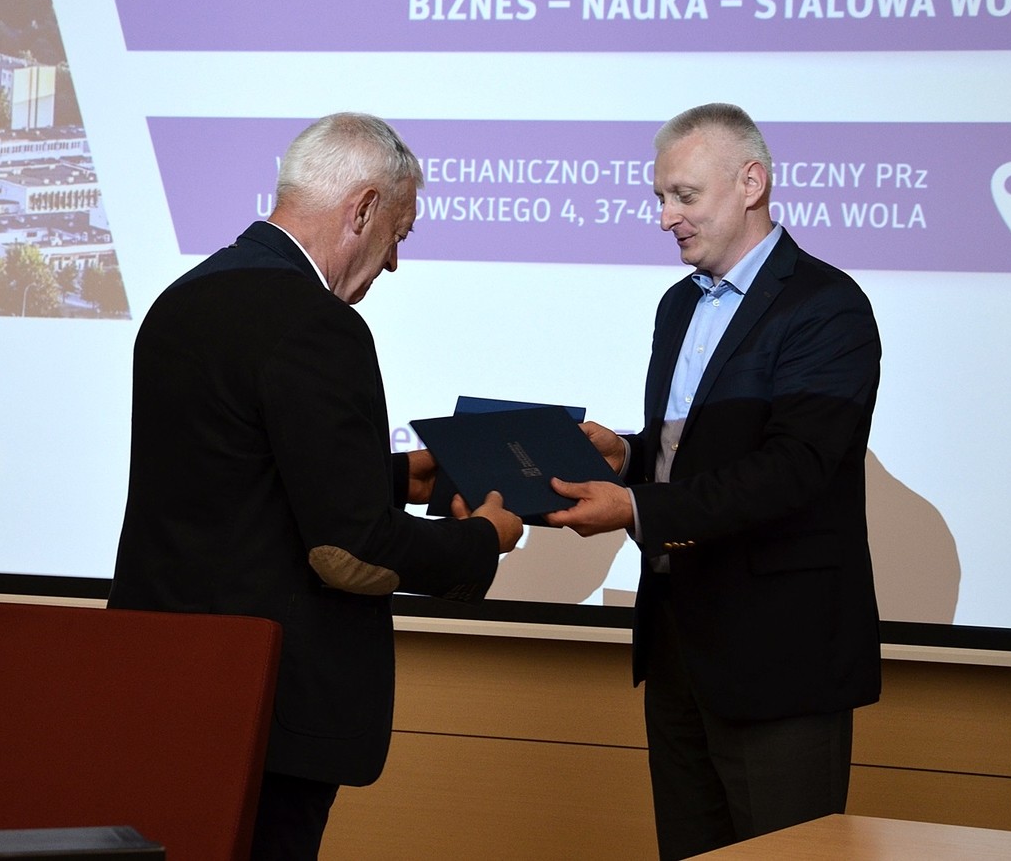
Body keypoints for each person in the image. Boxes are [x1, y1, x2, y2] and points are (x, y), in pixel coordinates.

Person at [107, 111, 523, 861]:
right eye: (398, 234)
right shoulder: (318, 323)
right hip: (267, 706)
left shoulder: (183, 299)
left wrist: (395, 475)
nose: (393, 263)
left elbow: (234, 473)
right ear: (362, 209)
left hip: (162, 687)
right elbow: (349, 550)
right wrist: (482, 541)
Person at [544, 103, 882, 860]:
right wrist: (625, 456)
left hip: (778, 661)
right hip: (677, 648)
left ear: (751, 183)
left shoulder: (827, 306)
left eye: (684, 196)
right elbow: (695, 455)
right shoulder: (677, 306)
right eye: (660, 197)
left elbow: (793, 470)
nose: (665, 217)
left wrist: (634, 506)